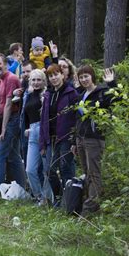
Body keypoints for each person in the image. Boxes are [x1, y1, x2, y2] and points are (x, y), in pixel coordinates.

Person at [72, 65, 116, 216]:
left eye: (86, 76)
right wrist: (74, 141)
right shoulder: (81, 95)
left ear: (92, 76)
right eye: (81, 77)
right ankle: (93, 205)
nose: (84, 79)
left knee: (94, 173)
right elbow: (77, 119)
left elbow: (117, 100)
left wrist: (111, 83)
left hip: (94, 138)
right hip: (81, 138)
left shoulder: (102, 92)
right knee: (86, 172)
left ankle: (89, 209)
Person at [40, 64, 79, 203]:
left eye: (56, 74)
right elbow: (43, 119)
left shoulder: (71, 93)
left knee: (65, 167)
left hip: (66, 137)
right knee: (50, 170)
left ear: (63, 75)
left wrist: (74, 138)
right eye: (50, 76)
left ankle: (70, 201)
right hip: (51, 138)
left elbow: (76, 117)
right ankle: (58, 199)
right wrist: (42, 143)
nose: (54, 78)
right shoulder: (48, 95)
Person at [0, 53, 26, 192]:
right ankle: (22, 186)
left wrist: (4, 129)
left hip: (12, 120)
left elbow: (9, 105)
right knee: (14, 155)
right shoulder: (2, 80)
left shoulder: (11, 78)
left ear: (5, 64)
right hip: (6, 120)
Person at [22, 69, 52, 204]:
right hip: (32, 132)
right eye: (33, 80)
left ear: (44, 81)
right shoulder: (27, 95)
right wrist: (28, 127)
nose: (36, 82)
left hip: (44, 131)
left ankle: (47, 198)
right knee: (30, 169)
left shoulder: (46, 95)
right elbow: (27, 113)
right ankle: (39, 195)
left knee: (46, 169)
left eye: (39, 80)